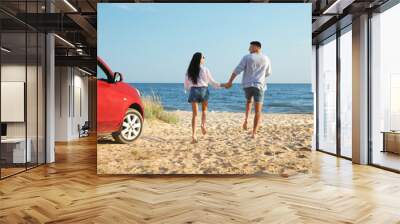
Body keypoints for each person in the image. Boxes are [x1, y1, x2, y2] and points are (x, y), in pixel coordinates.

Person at [225, 41, 272, 138]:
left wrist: (230, 82)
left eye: (250, 47)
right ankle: (254, 133)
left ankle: (246, 120)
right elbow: (268, 73)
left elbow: (237, 70)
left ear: (256, 47)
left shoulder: (247, 57)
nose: (248, 49)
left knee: (248, 101)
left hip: (247, 85)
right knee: (258, 111)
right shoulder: (266, 58)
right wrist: (260, 75)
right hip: (259, 85)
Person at [184, 52, 225, 143]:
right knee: (204, 111)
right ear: (199, 59)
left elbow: (186, 84)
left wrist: (188, 90)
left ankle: (194, 135)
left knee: (194, 114)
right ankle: (202, 125)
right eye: (203, 57)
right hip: (204, 91)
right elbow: (212, 82)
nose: (204, 58)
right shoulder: (205, 69)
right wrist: (223, 85)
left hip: (194, 90)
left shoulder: (189, 70)